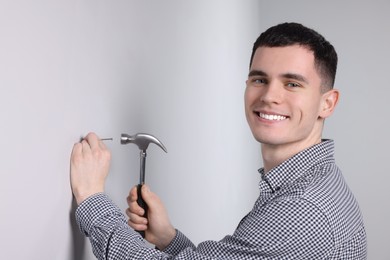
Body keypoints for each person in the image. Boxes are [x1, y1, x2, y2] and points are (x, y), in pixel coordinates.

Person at [70, 22, 367, 259]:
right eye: (259, 79)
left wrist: (92, 198)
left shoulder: (302, 210)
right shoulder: (314, 183)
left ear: (327, 103)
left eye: (292, 83)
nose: (269, 96)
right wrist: (168, 239)